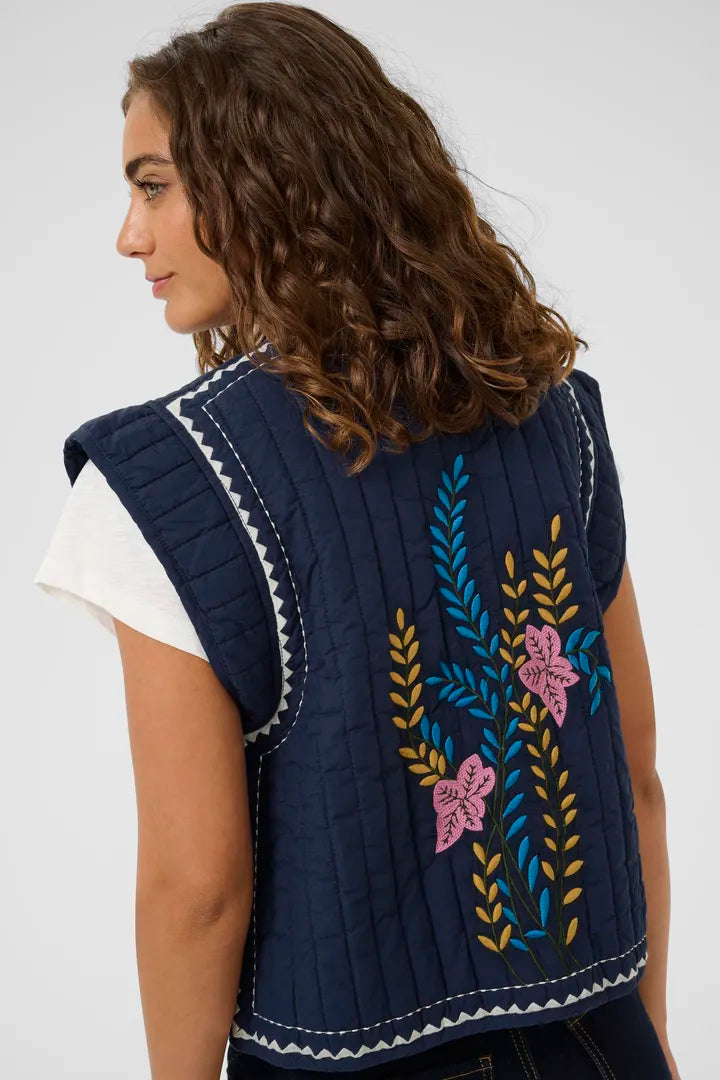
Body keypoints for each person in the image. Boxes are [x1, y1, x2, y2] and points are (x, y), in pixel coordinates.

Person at [33, 5, 678, 1079]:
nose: (129, 236)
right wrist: (649, 1038)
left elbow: (197, 888)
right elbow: (635, 774)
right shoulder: (554, 414)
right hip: (599, 1038)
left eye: (154, 186)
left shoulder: (170, 478)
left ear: (265, 184)